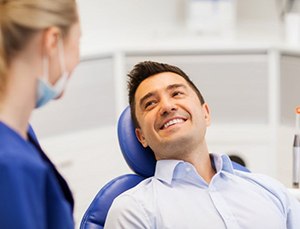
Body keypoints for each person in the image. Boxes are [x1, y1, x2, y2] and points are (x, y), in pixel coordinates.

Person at [105, 61, 300, 229]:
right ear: (141, 138)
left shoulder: (270, 190)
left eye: (177, 93)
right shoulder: (132, 210)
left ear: (205, 113)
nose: (167, 106)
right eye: (150, 104)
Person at [0, 0, 81, 228]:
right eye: (78, 41)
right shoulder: (11, 164)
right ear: (52, 41)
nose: (77, 60)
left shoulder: (21, 137)